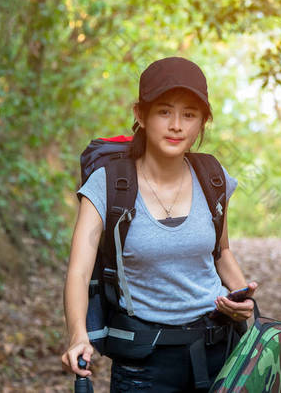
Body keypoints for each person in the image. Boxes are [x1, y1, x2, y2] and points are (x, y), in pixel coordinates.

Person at [60, 56, 258, 392]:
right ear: (141, 114)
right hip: (143, 365)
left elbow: (222, 253)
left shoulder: (213, 179)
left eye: (190, 114)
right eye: (165, 111)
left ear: (201, 124)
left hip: (218, 353)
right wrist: (78, 335)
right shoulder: (106, 185)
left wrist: (246, 308)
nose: (177, 125)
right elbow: (79, 271)